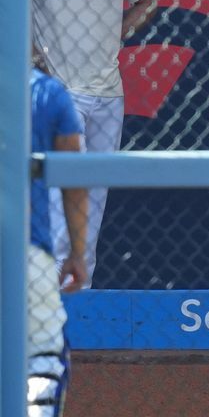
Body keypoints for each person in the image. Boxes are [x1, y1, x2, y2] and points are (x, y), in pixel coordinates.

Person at [31, 0, 157, 287]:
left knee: (95, 200)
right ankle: (47, 301)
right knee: (59, 201)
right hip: (62, 94)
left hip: (108, 93)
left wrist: (116, 33)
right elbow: (11, 9)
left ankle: (80, 294)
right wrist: (37, 60)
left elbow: (146, 0)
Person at [29, 64, 88, 416]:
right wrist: (77, 253)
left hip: (28, 249)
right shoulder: (46, 91)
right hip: (26, 251)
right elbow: (74, 177)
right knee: (44, 360)